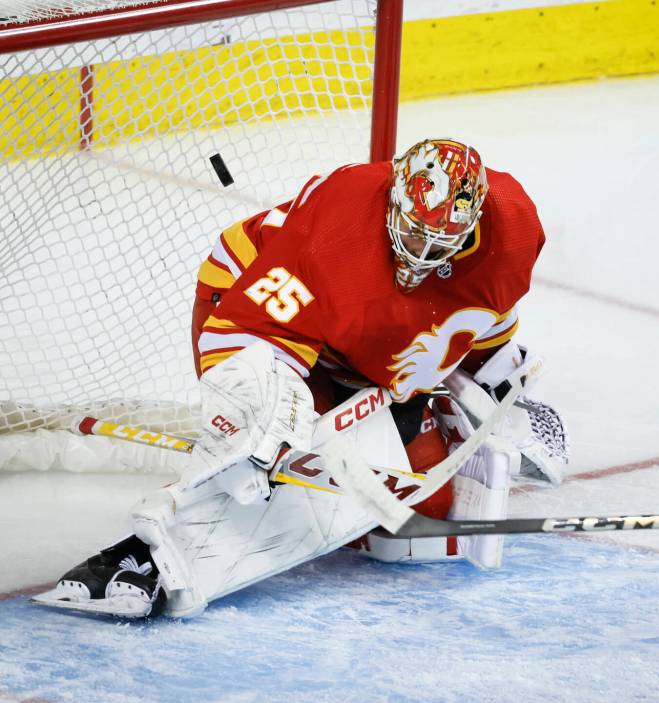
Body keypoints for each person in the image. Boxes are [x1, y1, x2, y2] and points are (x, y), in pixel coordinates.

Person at [32, 138, 568, 619]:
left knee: (414, 525)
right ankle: (146, 556)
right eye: (412, 232)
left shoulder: (514, 226)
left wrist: (499, 379)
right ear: (392, 200)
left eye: (440, 243)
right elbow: (247, 336)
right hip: (255, 309)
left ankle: (315, 487)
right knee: (267, 464)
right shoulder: (337, 232)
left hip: (358, 342)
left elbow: (480, 308)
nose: (421, 256)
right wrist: (265, 419)